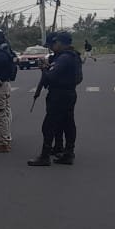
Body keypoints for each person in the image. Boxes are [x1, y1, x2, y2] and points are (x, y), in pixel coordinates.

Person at [28, 32, 82, 167]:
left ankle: (45, 156)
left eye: (53, 44)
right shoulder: (73, 56)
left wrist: (44, 69)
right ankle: (68, 153)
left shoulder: (64, 58)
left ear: (59, 43)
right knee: (67, 123)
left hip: (59, 95)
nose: (51, 48)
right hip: (69, 93)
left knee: (49, 125)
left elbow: (51, 77)